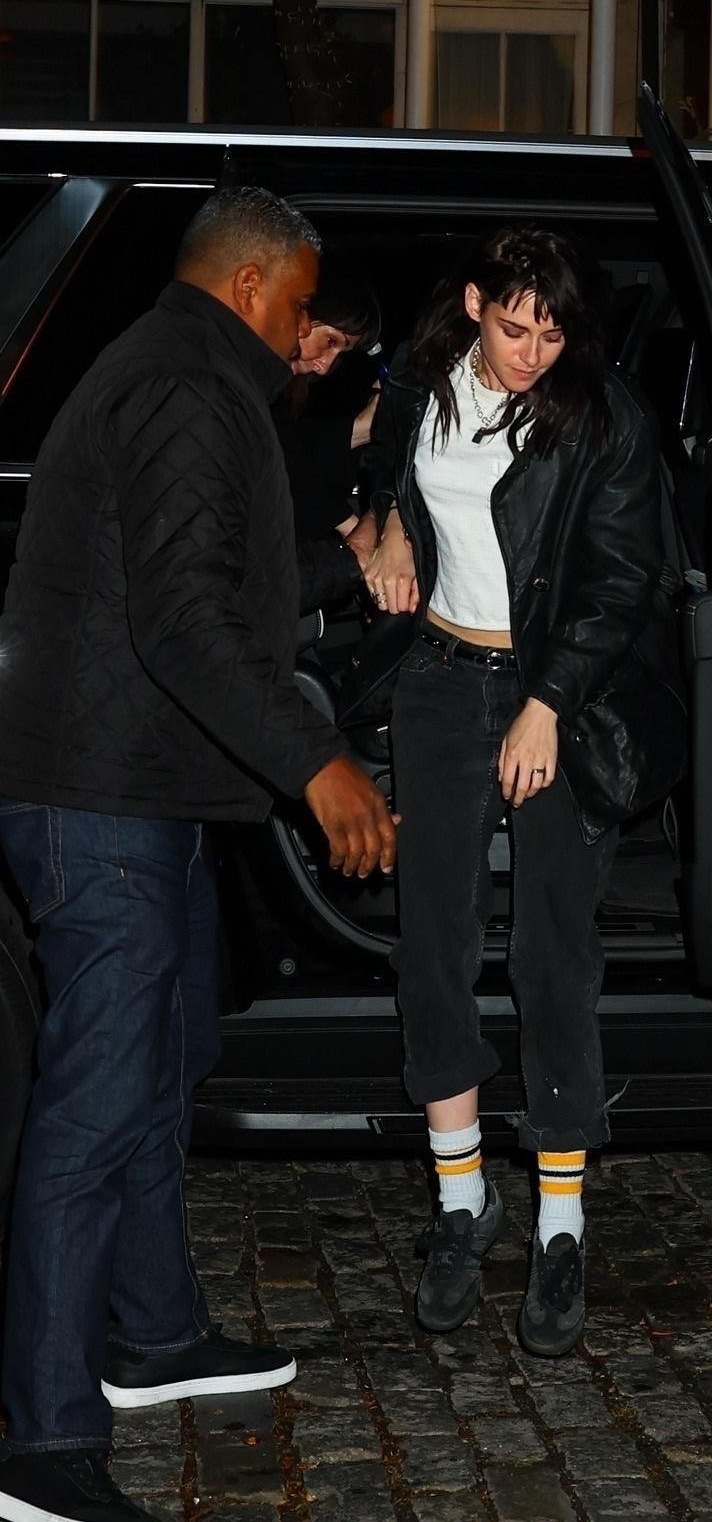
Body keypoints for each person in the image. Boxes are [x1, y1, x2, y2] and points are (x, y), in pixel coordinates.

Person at [0, 187, 394, 1522]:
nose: (306, 335)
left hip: (139, 788)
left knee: (161, 1066)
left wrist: (344, 562)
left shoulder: (187, 371)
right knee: (94, 1102)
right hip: (96, 794)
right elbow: (181, 622)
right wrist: (315, 762)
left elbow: (222, 586)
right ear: (250, 285)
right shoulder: (185, 384)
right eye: (301, 306)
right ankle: (41, 1444)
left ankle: (152, 1336)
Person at [363, 224, 685, 1358]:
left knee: (552, 949)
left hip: (560, 692)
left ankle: (559, 1221)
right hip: (441, 681)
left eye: (551, 332)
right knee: (432, 939)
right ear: (473, 304)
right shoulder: (420, 384)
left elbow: (621, 577)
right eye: (512, 327)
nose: (531, 352)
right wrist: (383, 524)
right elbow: (378, 459)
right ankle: (461, 1203)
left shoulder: (599, 415)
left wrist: (546, 702)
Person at [276, 273, 384, 542]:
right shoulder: (231, 376)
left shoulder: (289, 392)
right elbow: (279, 461)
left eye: (340, 353)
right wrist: (350, 526)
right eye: (330, 341)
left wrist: (362, 428)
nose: (324, 366)